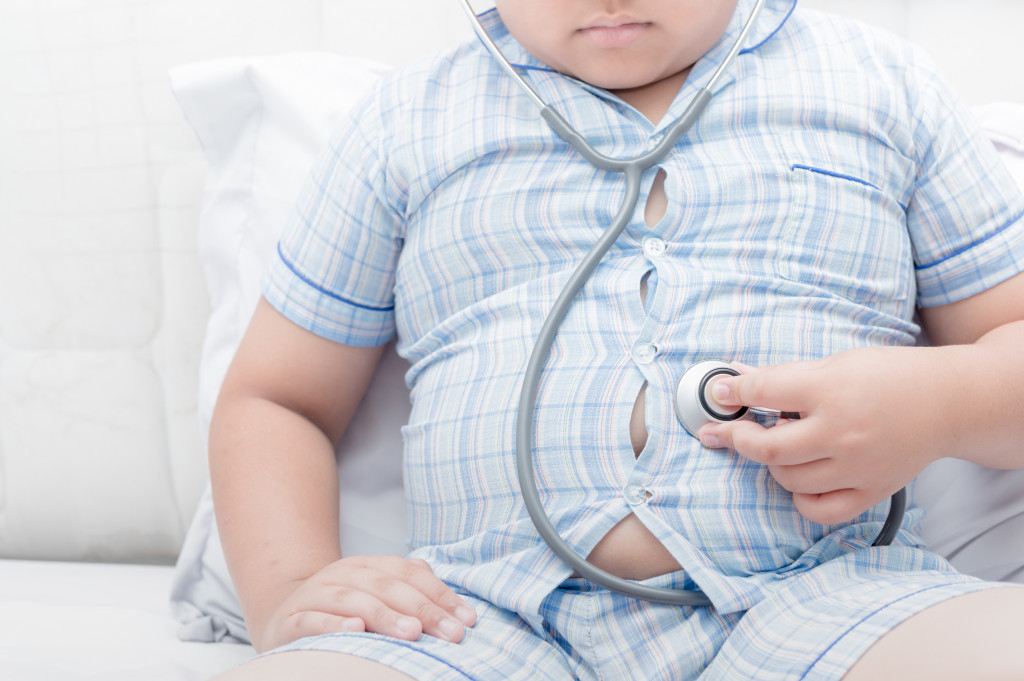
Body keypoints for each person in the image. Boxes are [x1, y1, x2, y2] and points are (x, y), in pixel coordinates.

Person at [210, 0, 1024, 679]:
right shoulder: (405, 121)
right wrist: (291, 588)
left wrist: (931, 406)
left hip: (834, 595)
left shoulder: (885, 86)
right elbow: (277, 396)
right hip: (471, 618)